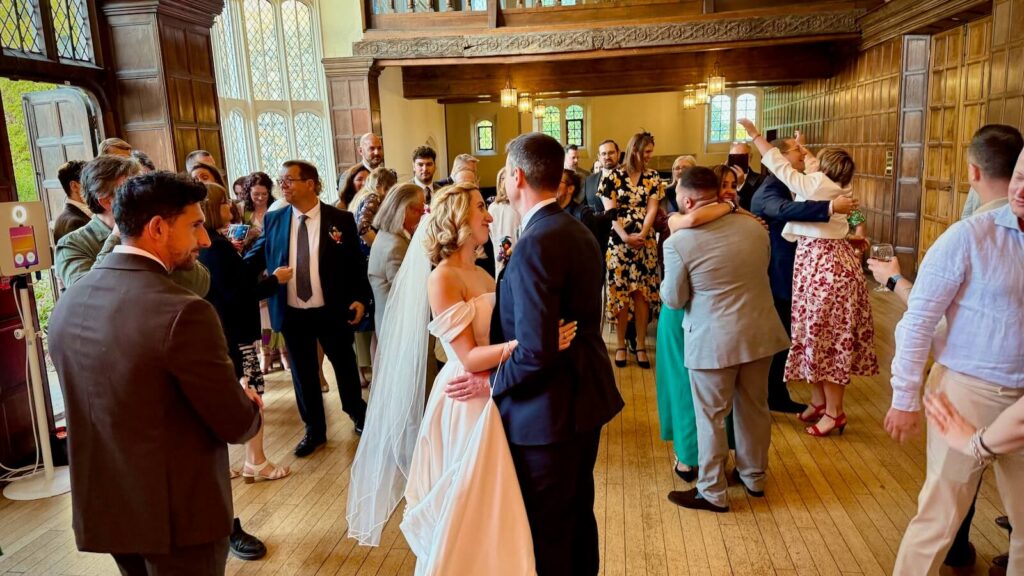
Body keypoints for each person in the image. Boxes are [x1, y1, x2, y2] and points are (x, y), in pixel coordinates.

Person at [48, 171, 263, 575]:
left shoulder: (69, 302)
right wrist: (249, 405)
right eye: (196, 225)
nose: (204, 239)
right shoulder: (185, 311)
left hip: (109, 505)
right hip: (178, 516)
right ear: (158, 228)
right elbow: (234, 423)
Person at [448, 133, 624, 574]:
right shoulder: (577, 230)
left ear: (517, 176)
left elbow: (537, 351)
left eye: (506, 171)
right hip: (584, 399)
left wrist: (490, 381)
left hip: (548, 414)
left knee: (547, 530)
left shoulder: (535, 243)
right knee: (577, 516)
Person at [884, 135, 1024, 576]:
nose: (1020, 191)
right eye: (1020, 178)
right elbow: (918, 321)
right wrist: (904, 398)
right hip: (966, 389)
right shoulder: (968, 236)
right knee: (939, 515)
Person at [661, 166, 788, 513]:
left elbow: (674, 299)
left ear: (686, 200)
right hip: (759, 333)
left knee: (712, 417)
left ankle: (712, 492)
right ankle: (754, 477)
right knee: (755, 408)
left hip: (712, 341)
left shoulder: (679, 244)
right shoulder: (754, 228)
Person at [744, 120, 873, 422]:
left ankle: (831, 409)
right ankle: (816, 401)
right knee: (807, 335)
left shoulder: (815, 183)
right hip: (795, 270)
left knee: (823, 336)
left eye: (807, 157)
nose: (803, 159)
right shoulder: (781, 188)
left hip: (818, 269)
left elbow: (787, 167)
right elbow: (790, 205)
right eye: (798, 154)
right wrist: (839, 219)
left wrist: (756, 136)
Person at [244, 160, 371, 453]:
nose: (283, 186)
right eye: (281, 181)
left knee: (344, 364)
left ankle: (357, 412)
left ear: (310, 184)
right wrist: (229, 269)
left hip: (331, 308)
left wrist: (360, 298)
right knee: (302, 373)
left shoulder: (340, 220)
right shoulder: (275, 221)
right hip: (292, 311)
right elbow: (255, 258)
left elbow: (356, 265)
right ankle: (314, 429)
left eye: (289, 180)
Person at [198, 182, 292, 484]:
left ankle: (230, 463)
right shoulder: (217, 246)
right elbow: (239, 293)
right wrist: (275, 280)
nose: (231, 206)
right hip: (237, 331)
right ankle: (257, 461)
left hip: (224, 329)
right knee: (254, 395)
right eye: (224, 202)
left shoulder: (209, 245)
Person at [598, 131, 663, 369]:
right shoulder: (613, 177)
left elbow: (652, 209)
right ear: (635, 150)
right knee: (621, 295)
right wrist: (625, 236)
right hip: (619, 242)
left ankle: (641, 345)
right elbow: (609, 212)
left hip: (644, 244)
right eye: (646, 152)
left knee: (642, 295)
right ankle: (621, 344)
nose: (649, 156)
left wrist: (644, 234)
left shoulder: (653, 176)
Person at [367, 183, 426, 333]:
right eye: (420, 209)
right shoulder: (395, 246)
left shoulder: (386, 235)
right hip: (399, 329)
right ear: (405, 210)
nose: (422, 215)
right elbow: (407, 294)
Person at [558, 168, 617, 253]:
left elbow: (591, 252)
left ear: (570, 189)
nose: (552, 185)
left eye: (558, 181)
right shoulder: (550, 212)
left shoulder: (583, 215)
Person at [488, 167, 520, 275]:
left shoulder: (519, 205)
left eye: (508, 178)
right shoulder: (493, 207)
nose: (505, 181)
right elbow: (494, 234)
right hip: (501, 250)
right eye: (502, 178)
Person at [53, 160, 90, 245]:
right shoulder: (74, 223)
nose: (95, 186)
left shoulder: (74, 214)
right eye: (89, 181)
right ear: (74, 186)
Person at [582, 139, 618, 211]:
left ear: (618, 153)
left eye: (611, 153)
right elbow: (584, 207)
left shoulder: (628, 177)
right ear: (599, 157)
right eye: (603, 154)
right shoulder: (589, 180)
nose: (607, 157)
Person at [729, 142, 766, 211]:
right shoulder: (721, 177)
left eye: (741, 157)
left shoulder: (762, 180)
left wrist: (741, 184)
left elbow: (755, 206)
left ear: (750, 158)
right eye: (734, 157)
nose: (737, 161)